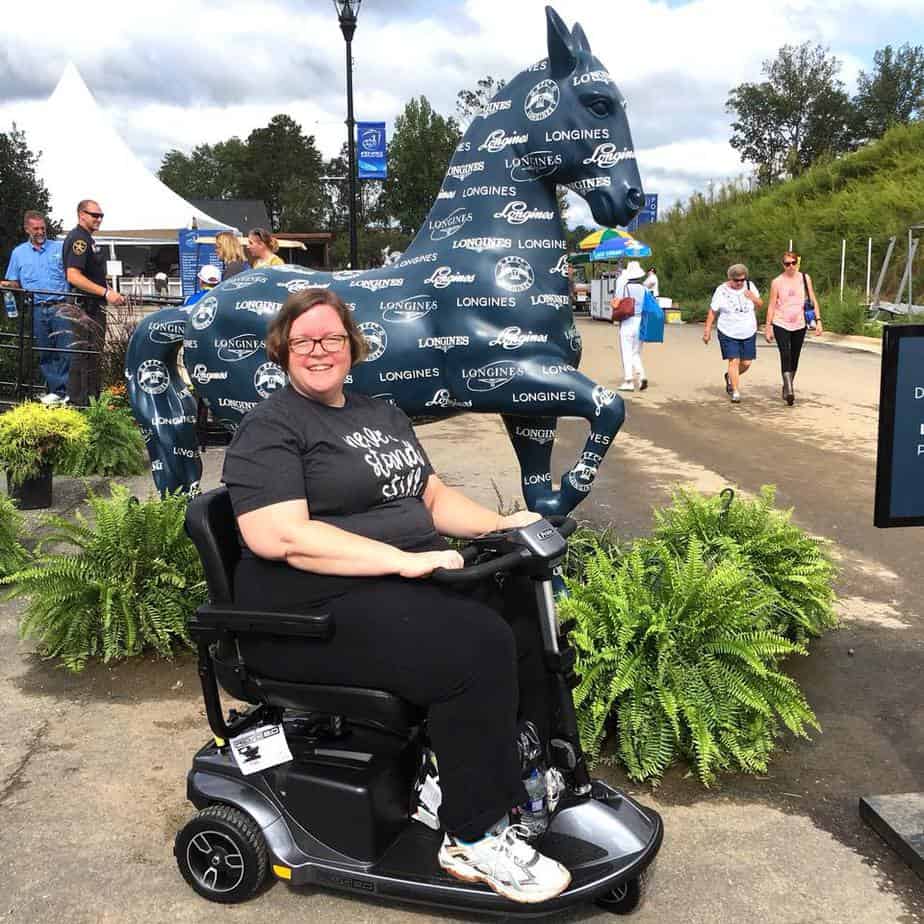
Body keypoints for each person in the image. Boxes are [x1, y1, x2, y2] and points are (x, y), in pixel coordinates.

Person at [221, 287, 572, 904]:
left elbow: (432, 499)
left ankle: (512, 780)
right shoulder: (271, 426)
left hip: (380, 588)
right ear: (282, 352)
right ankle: (474, 835)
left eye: (331, 338)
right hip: (304, 610)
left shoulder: (379, 413)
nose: (319, 350)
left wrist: (502, 524)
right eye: (303, 341)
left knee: (517, 612)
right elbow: (282, 537)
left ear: (351, 346)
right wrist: (405, 561)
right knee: (474, 646)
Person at [1, 211, 70, 404]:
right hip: (37, 308)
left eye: (43, 228)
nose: (40, 232)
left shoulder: (60, 248)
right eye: (36, 229)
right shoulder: (18, 253)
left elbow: (73, 274)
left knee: (66, 351)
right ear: (27, 229)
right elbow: (15, 283)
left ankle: (65, 393)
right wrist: (4, 285)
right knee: (45, 352)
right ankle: (57, 392)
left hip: (62, 306)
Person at [62, 199, 126, 405]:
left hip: (92, 306)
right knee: (83, 355)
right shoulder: (79, 240)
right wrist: (106, 292)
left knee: (93, 355)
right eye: (94, 215)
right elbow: (73, 275)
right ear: (82, 215)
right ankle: (80, 404)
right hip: (84, 307)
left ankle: (91, 402)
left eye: (101, 216)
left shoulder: (88, 239)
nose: (99, 219)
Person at [764, 251, 823, 406]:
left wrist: (818, 320)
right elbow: (771, 305)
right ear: (783, 265)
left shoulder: (805, 278)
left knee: (795, 354)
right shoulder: (777, 282)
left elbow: (812, 299)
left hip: (800, 322)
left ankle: (787, 384)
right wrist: (768, 326)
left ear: (798, 263)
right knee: (785, 353)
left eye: (793, 263)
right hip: (780, 321)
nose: (790, 266)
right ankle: (789, 389)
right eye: (787, 264)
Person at [703, 263, 763, 404]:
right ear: (730, 278)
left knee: (747, 363)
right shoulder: (721, 290)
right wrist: (707, 330)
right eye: (736, 280)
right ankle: (735, 391)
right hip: (728, 330)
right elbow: (713, 311)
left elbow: (760, 303)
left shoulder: (750, 286)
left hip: (748, 330)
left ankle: (730, 377)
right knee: (733, 360)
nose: (740, 283)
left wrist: (753, 298)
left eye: (742, 280)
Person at [614, 260, 648, 392]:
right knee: (636, 353)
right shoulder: (644, 289)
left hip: (628, 321)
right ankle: (642, 376)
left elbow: (617, 303)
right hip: (640, 321)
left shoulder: (625, 287)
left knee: (626, 351)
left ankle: (628, 381)